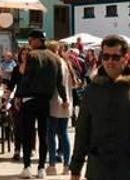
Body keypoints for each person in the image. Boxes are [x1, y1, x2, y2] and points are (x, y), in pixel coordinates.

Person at [70, 35, 130, 180]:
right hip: (98, 170)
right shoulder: (92, 90)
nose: (109, 62)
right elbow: (82, 130)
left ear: (126, 58)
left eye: (115, 57)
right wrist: (76, 167)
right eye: (105, 57)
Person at [16, 30, 65, 179]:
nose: (29, 43)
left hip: (29, 99)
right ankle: (41, 167)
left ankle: (27, 166)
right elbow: (59, 82)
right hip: (45, 100)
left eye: (30, 40)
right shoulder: (55, 58)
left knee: (27, 133)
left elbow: (27, 78)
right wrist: (65, 99)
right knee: (43, 134)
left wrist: (19, 95)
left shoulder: (32, 55)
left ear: (37, 40)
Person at [46, 41, 74, 176]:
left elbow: (58, 83)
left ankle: (52, 165)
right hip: (66, 102)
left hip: (55, 101)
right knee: (63, 133)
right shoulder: (65, 63)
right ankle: (66, 165)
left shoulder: (54, 63)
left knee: (51, 134)